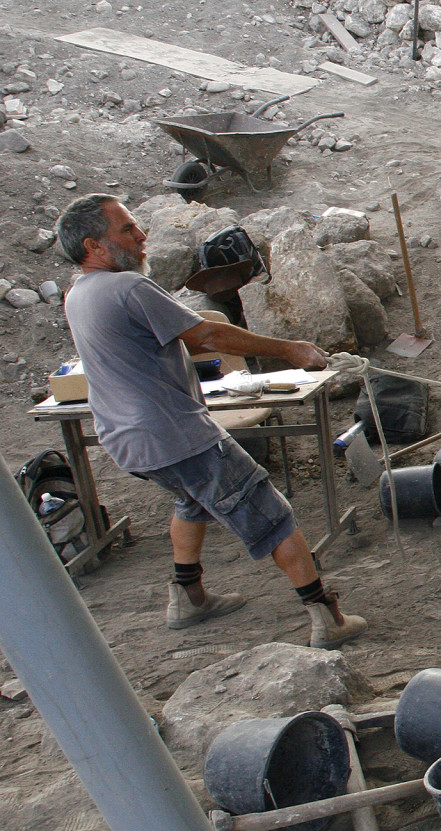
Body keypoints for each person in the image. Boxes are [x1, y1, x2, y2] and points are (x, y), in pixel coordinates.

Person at [55, 194, 367, 648]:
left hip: (130, 443)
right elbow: (207, 334)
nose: (142, 236)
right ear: (93, 245)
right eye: (127, 230)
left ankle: (188, 596)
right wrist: (291, 349)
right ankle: (327, 616)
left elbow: (190, 342)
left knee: (191, 502)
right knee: (272, 515)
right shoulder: (128, 289)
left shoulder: (79, 294)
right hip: (176, 436)